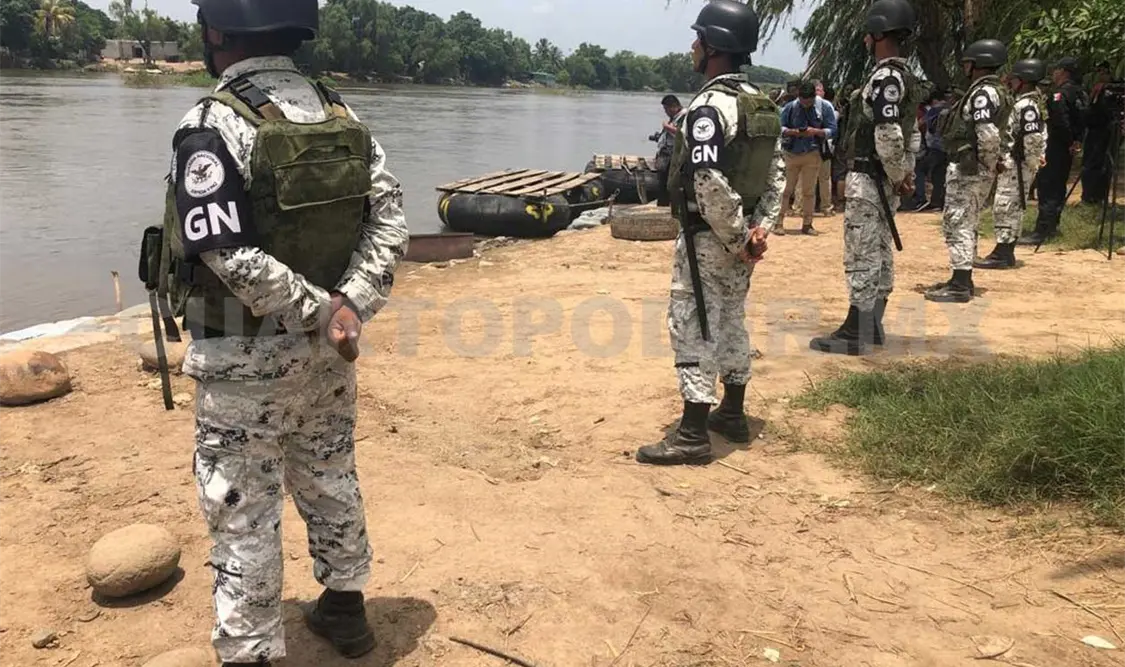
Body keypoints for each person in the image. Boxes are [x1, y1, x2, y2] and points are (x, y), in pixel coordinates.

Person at [152, 0, 410, 663]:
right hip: (327, 353)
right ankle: (346, 609)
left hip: (244, 358)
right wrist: (347, 306)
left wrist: (318, 309)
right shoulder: (341, 116)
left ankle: (252, 650)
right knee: (329, 472)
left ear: (216, 32)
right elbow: (390, 221)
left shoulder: (211, 124)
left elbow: (227, 254)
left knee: (241, 506)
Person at [635, 0, 784, 466]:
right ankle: (732, 414)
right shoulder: (761, 104)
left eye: (699, 39)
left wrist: (739, 236)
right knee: (731, 320)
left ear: (716, 46)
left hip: (709, 237)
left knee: (695, 324)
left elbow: (707, 181)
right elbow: (776, 173)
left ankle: (693, 432)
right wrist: (760, 230)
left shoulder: (708, 108)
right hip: (741, 241)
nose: (693, 46)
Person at [808, 0, 920, 356]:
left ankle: (856, 330)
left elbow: (888, 132)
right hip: (885, 178)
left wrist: (898, 172)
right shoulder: (907, 77)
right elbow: (911, 131)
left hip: (870, 178)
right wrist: (905, 173)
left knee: (862, 253)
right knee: (881, 251)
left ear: (876, 34)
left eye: (868, 34)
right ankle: (871, 325)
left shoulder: (885, 77)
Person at [923, 39, 1011, 303]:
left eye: (967, 62)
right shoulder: (996, 91)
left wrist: (985, 162)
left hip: (969, 168)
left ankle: (960, 283)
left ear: (977, 63)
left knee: (958, 221)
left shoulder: (982, 93)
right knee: (966, 221)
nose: (965, 67)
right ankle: (961, 277)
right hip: (977, 167)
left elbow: (988, 133)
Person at [976, 59, 1048, 269]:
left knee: (1008, 205)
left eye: (1014, 78)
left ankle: (1004, 252)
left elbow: (1032, 137)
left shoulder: (1027, 105)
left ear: (1023, 80)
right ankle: (1004, 250)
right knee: (1007, 205)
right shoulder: (1026, 103)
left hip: (1018, 165)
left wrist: (1032, 161)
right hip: (1015, 163)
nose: (1010, 81)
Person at [1018, 57, 1087, 246]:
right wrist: (1077, 140)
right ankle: (1052, 226)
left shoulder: (1060, 95)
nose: (1054, 74)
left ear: (1064, 71)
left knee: (1048, 187)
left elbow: (1061, 121)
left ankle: (1042, 230)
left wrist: (1069, 140)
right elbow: (1081, 119)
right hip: (1067, 146)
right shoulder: (1080, 93)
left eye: (1056, 70)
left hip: (1056, 146)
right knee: (1057, 186)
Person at [777, 81, 836, 235]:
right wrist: (793, 132)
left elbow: (832, 130)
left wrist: (816, 131)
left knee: (809, 191)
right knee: (786, 190)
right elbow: (780, 127)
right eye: (803, 102)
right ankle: (778, 222)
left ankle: (807, 224)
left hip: (812, 152)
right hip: (791, 152)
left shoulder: (825, 107)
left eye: (809, 103)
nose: (805, 105)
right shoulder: (789, 107)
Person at [1081, 62, 1114, 205]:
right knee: (1090, 163)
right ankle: (1088, 195)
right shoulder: (1096, 89)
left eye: (1104, 72)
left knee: (1104, 165)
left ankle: (1100, 196)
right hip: (1094, 130)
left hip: (1105, 130)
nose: (1101, 75)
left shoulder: (1109, 92)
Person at [653, 94, 688, 206]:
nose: (666, 112)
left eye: (666, 109)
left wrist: (667, 127)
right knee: (662, 183)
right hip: (666, 154)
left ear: (674, 106)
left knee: (668, 184)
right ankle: (663, 204)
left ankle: (665, 206)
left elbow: (683, 134)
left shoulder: (684, 116)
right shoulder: (675, 117)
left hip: (674, 155)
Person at [813, 80, 839, 216]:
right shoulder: (828, 105)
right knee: (823, 178)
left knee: (805, 178)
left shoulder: (798, 105)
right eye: (818, 90)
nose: (819, 93)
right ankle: (826, 207)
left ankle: (800, 207)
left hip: (809, 146)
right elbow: (833, 128)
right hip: (823, 145)